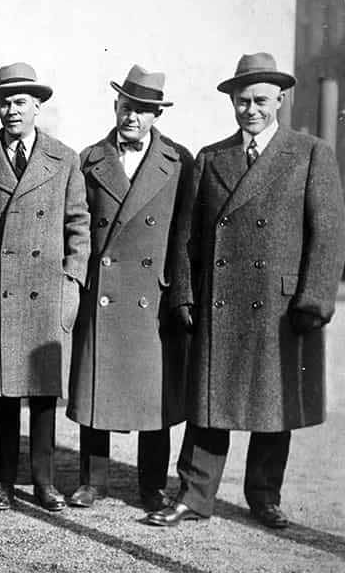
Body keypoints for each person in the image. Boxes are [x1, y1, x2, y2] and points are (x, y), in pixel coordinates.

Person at [147, 53, 345, 529]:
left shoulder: (310, 152)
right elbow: (187, 237)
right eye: (242, 102)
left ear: (280, 99)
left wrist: (314, 299)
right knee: (209, 407)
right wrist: (183, 295)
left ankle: (264, 498)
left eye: (260, 100)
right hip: (221, 304)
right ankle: (193, 497)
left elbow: (328, 233)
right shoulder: (212, 157)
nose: (251, 110)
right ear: (232, 104)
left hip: (281, 306)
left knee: (271, 409)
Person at [0, 62, 90, 512]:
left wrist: (72, 280)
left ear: (38, 106)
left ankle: (44, 482)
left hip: (47, 288)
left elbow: (78, 226)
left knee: (44, 394)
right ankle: (3, 482)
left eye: (20, 102)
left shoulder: (64, 159)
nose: (11, 111)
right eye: (4, 103)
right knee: (6, 395)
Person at [65, 65, 192, 512]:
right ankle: (92, 481)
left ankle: (151, 485)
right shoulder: (89, 158)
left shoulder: (179, 162)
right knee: (96, 388)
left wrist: (180, 292)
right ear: (115, 107)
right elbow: (77, 227)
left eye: (142, 110)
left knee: (151, 397)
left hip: (150, 297)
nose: (132, 116)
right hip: (102, 291)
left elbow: (183, 235)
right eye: (126, 107)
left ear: (156, 114)